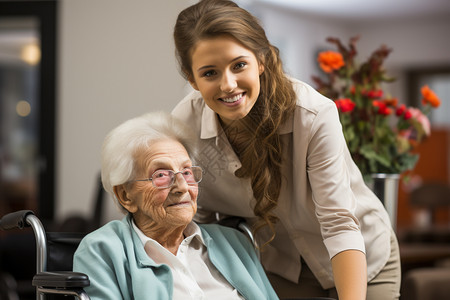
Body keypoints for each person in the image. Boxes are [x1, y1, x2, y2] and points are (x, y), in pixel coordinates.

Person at [171, 0, 401, 299]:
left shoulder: (312, 114)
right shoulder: (183, 128)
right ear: (192, 79)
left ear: (261, 60)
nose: (228, 85)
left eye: (239, 65)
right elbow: (191, 218)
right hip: (282, 269)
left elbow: (338, 223)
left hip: (362, 258)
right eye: (210, 73)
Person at [72, 111, 278, 300]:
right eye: (161, 175)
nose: (182, 187)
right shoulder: (102, 251)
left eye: (187, 172)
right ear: (126, 195)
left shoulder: (234, 243)